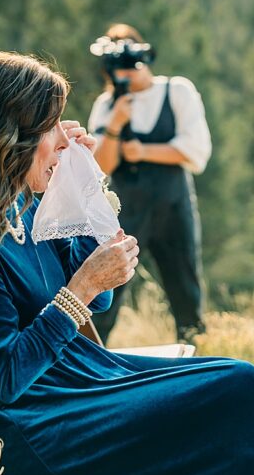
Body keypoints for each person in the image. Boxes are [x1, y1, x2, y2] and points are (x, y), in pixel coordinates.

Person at [0, 51, 254, 475]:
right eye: (50, 128)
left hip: (78, 387)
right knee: (236, 393)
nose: (61, 140)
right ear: (8, 137)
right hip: (40, 433)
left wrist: (78, 189)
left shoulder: (19, 209)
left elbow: (100, 301)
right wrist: (82, 286)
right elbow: (6, 377)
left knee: (238, 385)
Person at [88, 23, 212, 344]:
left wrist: (143, 151)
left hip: (174, 206)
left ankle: (195, 355)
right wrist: (115, 125)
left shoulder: (176, 91)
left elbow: (197, 151)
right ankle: (94, 357)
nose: (127, 69)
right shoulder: (106, 105)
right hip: (125, 210)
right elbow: (99, 166)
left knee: (185, 287)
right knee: (109, 292)